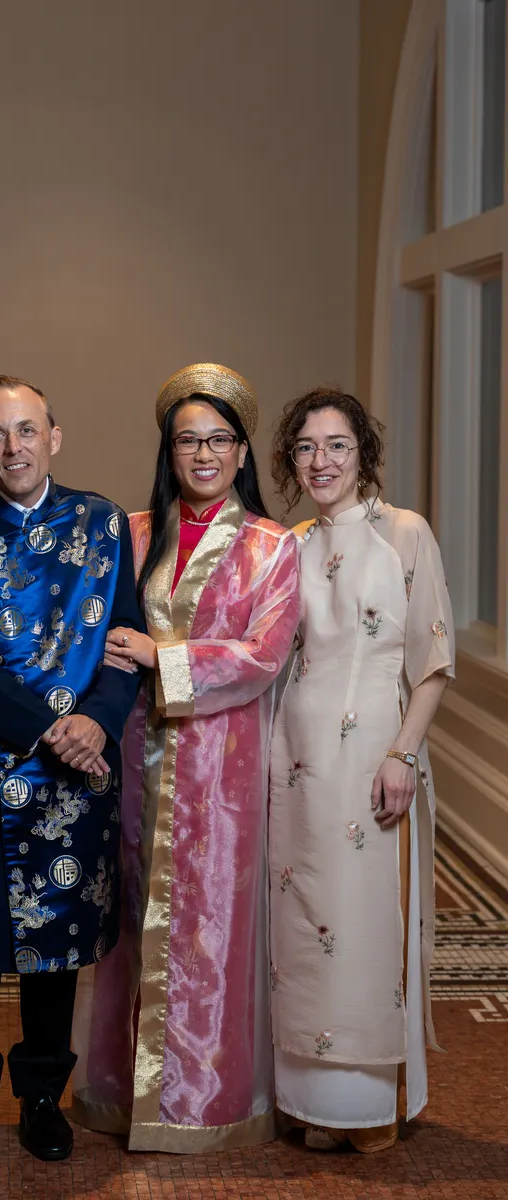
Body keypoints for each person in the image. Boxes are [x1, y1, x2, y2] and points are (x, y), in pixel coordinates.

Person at [0, 374, 144, 1165]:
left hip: (77, 769)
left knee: (59, 941)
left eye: (27, 430)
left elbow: (124, 641)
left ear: (54, 437)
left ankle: (44, 1094)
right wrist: (49, 728)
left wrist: (97, 721)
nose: (13, 448)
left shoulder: (102, 522)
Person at [70, 363, 300, 1152]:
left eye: (218, 440)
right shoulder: (132, 533)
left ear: (242, 452)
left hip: (220, 768)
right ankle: (115, 1092)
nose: (204, 454)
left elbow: (262, 655)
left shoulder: (272, 547)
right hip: (130, 758)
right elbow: (93, 632)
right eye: (187, 440)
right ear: (168, 451)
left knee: (209, 927)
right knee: (128, 918)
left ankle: (202, 1104)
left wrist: (161, 654)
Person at [268, 388, 454, 1152]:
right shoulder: (288, 544)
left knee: (365, 923)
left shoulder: (404, 533)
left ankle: (366, 1108)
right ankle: (307, 1101)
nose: (321, 461)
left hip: (376, 756)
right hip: (293, 759)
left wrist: (402, 753)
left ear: (363, 454)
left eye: (337, 445)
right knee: (300, 926)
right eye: (306, 447)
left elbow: (433, 662)